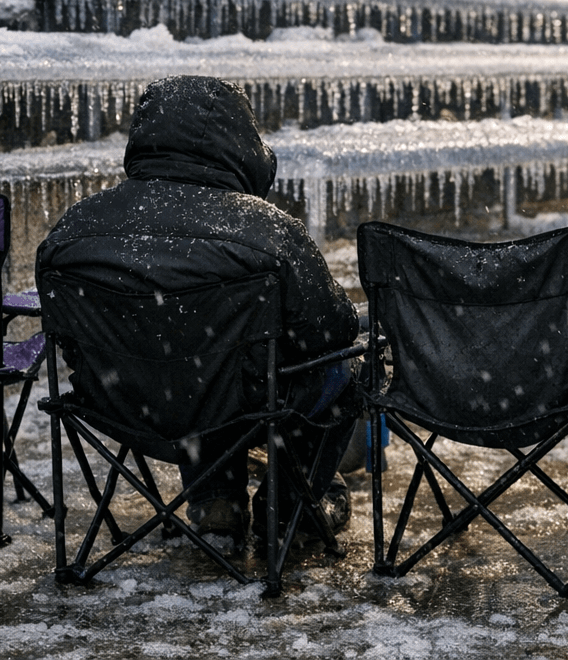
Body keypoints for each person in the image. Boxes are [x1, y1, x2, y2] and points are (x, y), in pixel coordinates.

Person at [36, 75, 360, 548]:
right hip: (239, 406)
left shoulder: (76, 226)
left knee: (186, 360)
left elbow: (63, 332)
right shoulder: (268, 230)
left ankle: (216, 501)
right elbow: (331, 331)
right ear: (241, 144)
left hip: (122, 405)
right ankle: (291, 507)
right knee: (341, 366)